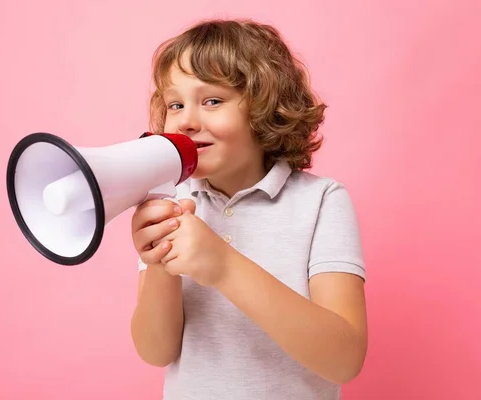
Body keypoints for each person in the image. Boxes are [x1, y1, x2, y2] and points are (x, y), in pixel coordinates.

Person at [129, 18, 368, 400]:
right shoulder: (169, 205)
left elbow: (345, 359)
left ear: (265, 108)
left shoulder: (321, 202)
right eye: (176, 104)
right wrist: (159, 265)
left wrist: (223, 265)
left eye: (212, 101)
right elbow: (156, 351)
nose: (187, 121)